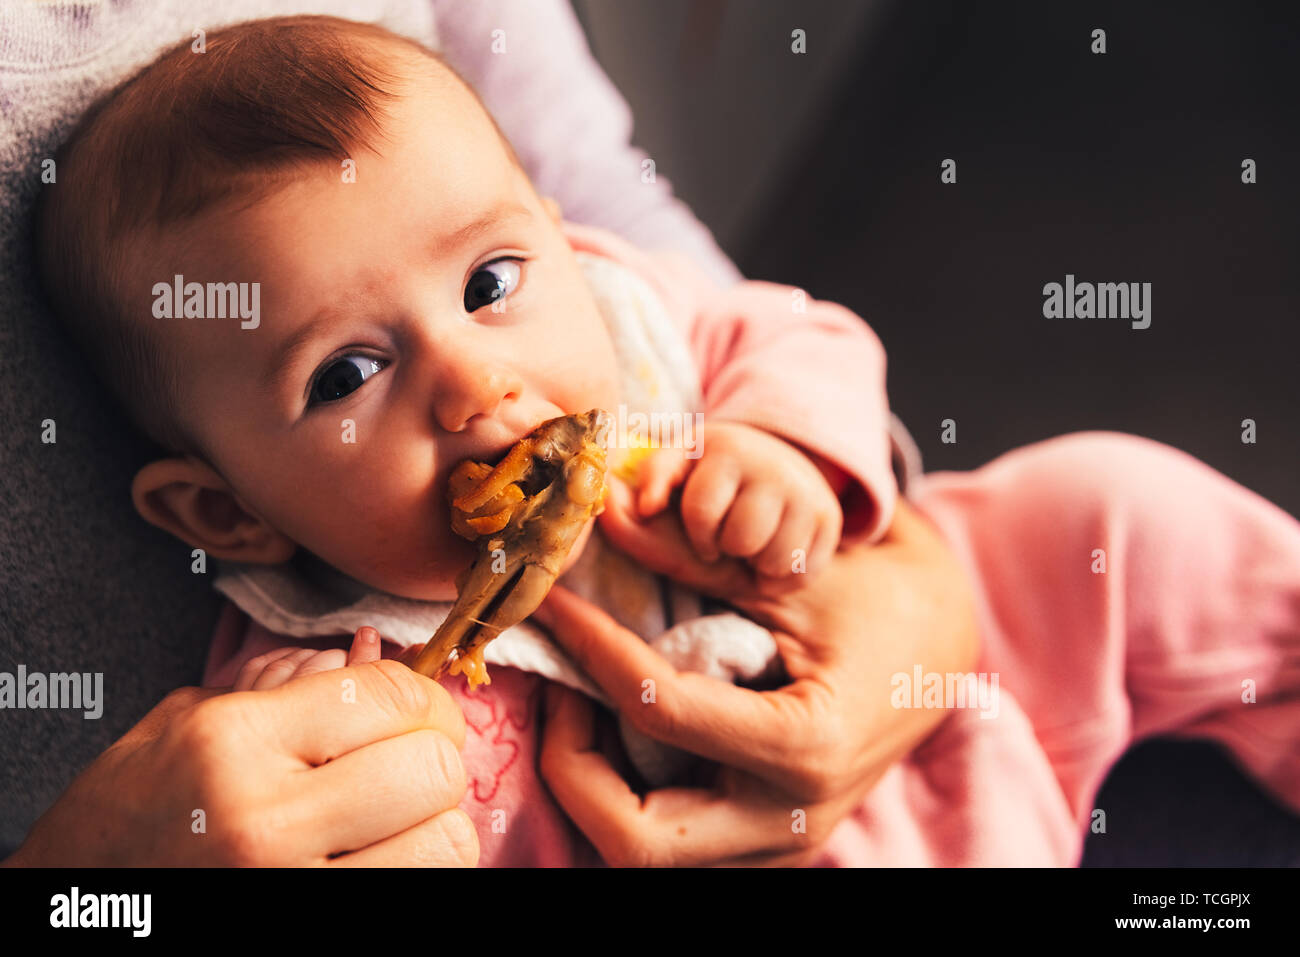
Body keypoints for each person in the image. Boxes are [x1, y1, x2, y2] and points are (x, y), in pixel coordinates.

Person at [24, 15, 1300, 868]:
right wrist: (353, 760)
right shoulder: (316, 663)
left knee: (1104, 504)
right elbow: (303, 796)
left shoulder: (626, 314)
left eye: (488, 282)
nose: (476, 381)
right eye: (348, 370)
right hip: (680, 831)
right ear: (225, 517)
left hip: (950, 699)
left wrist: (785, 453)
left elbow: (796, 335)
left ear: (547, 230)